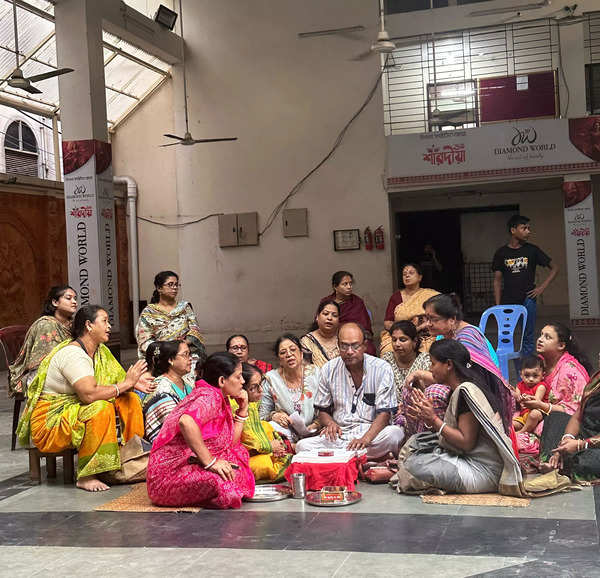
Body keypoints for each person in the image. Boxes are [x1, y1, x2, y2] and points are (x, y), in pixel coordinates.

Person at [16, 305, 147, 492]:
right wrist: (125, 384)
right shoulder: (74, 355)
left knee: (129, 400)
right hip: (50, 421)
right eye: (105, 321)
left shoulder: (100, 351)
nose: (109, 326)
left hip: (74, 409)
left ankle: (130, 457)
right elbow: (89, 394)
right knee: (101, 408)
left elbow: (116, 381)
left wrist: (133, 384)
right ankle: (88, 475)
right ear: (89, 325)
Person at [396, 340, 522, 495]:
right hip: (467, 458)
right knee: (416, 443)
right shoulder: (461, 388)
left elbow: (466, 443)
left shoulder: (466, 392)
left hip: (483, 471)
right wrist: (427, 419)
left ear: (448, 365)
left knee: (412, 468)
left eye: (433, 363)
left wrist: (433, 420)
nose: (430, 369)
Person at [146, 352, 255, 509]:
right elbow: (186, 422)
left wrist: (242, 411)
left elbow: (230, 443)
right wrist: (210, 462)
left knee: (238, 457)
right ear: (222, 380)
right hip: (167, 476)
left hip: (188, 464)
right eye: (238, 377)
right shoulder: (209, 397)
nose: (243, 381)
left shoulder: (219, 396)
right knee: (225, 484)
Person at [295, 323, 404, 459]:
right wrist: (331, 424)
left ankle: (339, 458)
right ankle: (359, 458)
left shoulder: (382, 368)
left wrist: (365, 440)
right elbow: (322, 411)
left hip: (371, 434)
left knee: (395, 434)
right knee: (302, 446)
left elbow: (384, 414)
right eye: (344, 346)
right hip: (340, 435)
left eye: (355, 346)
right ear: (338, 345)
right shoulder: (328, 369)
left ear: (364, 345)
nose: (349, 351)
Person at [517, 322, 591, 460]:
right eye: (541, 335)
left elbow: (574, 412)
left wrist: (540, 406)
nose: (540, 339)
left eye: (547, 337)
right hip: (537, 413)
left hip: (564, 421)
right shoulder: (539, 363)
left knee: (525, 437)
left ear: (561, 346)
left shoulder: (571, 371)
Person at [492, 215, 558, 360]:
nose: (528, 231)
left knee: (527, 336)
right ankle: (509, 366)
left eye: (529, 228)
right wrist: (498, 306)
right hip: (508, 301)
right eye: (524, 228)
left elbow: (555, 268)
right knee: (505, 336)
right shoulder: (501, 253)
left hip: (528, 299)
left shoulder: (532, 250)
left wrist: (541, 288)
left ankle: (526, 369)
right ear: (513, 230)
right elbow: (497, 280)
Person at [9, 285, 77, 397]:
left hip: (64, 369)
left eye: (75, 299)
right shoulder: (46, 325)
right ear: (55, 302)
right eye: (68, 298)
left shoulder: (72, 325)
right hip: (41, 373)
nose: (74, 302)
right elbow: (43, 363)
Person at [382, 321, 444, 437]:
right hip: (392, 413)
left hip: (417, 413)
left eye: (403, 339)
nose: (397, 344)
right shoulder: (387, 360)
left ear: (415, 342)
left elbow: (440, 381)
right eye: (394, 340)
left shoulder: (425, 359)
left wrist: (418, 374)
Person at [136, 270, 207, 372]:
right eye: (170, 284)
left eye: (176, 285)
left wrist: (181, 345)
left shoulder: (185, 308)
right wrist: (167, 350)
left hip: (185, 354)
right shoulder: (149, 312)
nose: (174, 288)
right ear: (159, 288)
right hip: (161, 358)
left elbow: (194, 330)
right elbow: (145, 340)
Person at [233, 363, 291, 482]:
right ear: (242, 388)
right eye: (254, 387)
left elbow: (257, 435)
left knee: (266, 426)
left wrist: (273, 448)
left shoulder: (251, 403)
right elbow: (247, 442)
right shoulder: (235, 406)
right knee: (263, 464)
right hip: (237, 458)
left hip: (253, 452)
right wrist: (270, 447)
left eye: (260, 385)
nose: (261, 390)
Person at [260, 334, 319, 441]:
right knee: (270, 427)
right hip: (287, 432)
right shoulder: (271, 379)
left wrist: (317, 424)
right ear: (279, 360)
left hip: (317, 430)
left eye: (293, 350)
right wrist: (274, 416)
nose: (289, 354)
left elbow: (328, 406)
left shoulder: (316, 373)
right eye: (283, 352)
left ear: (301, 354)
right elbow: (262, 415)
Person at [547, 371, 600, 480]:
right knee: (555, 418)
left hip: (595, 445)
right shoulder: (596, 380)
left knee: (590, 462)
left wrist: (580, 445)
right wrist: (567, 438)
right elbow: (578, 415)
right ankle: (555, 459)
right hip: (585, 433)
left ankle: (560, 464)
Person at [142, 340, 195, 443]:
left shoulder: (188, 383)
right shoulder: (160, 388)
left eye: (190, 354)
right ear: (171, 360)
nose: (190, 358)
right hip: (170, 443)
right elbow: (174, 425)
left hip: (190, 437)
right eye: (185, 354)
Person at [380, 263, 439, 355]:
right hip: (400, 335)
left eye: (411, 273)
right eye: (404, 274)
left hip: (426, 335)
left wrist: (421, 327)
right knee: (387, 351)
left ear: (419, 277)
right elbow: (387, 323)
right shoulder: (396, 297)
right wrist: (402, 332)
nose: (407, 275)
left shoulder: (430, 295)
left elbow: (439, 317)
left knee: (429, 351)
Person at [318, 271, 375, 355]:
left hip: (352, 336)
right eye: (345, 284)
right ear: (335, 287)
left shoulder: (357, 302)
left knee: (368, 349)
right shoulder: (326, 302)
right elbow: (319, 322)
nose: (349, 287)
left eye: (351, 284)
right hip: (329, 336)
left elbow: (365, 327)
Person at [512, 355, 548, 434]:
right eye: (527, 376)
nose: (531, 379)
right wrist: (511, 391)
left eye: (535, 376)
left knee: (534, 414)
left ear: (543, 375)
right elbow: (518, 398)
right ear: (521, 375)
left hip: (538, 413)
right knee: (511, 424)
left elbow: (536, 401)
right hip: (523, 416)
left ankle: (522, 431)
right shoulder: (520, 385)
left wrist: (527, 398)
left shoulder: (541, 386)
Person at [301, 299, 340, 368]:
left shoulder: (343, 339)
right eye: (325, 314)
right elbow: (305, 371)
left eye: (334, 315)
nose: (330, 318)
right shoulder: (307, 342)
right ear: (317, 317)